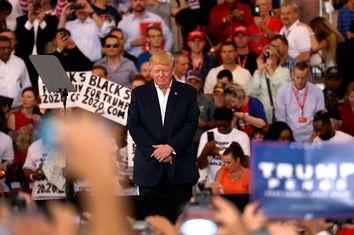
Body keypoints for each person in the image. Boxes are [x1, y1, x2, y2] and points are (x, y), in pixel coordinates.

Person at [127, 51, 200, 197]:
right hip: (149, 169)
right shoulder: (139, 94)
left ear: (172, 70)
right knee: (150, 218)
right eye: (157, 70)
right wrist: (155, 151)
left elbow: (191, 123)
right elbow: (134, 125)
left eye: (165, 70)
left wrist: (171, 147)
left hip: (180, 169)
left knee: (179, 217)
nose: (161, 75)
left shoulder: (188, 92)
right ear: (151, 71)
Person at [197, 107, 250, 187]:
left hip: (235, 186)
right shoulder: (206, 135)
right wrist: (206, 150)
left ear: (231, 121)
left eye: (224, 125)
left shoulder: (242, 136)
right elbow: (201, 166)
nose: (221, 127)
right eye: (218, 125)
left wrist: (220, 152)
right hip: (212, 185)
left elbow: (246, 164)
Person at [275, 62, 325, 142]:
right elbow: (281, 119)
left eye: (303, 78)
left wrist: (316, 134)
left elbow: (320, 117)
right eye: (297, 77)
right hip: (290, 136)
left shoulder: (317, 92)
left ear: (307, 76)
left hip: (312, 136)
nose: (300, 81)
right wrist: (287, 138)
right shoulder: (282, 92)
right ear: (292, 75)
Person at [15, 0, 58, 88]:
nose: (33, 5)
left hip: (45, 60)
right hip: (26, 60)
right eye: (31, 2)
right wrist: (29, 21)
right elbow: (19, 39)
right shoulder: (21, 20)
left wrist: (42, 22)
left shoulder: (52, 20)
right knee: (28, 87)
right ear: (27, 4)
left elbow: (51, 38)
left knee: (46, 88)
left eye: (36, 3)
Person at [250, 44, 291, 122]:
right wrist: (259, 72)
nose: (270, 58)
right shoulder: (258, 72)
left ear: (277, 57)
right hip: (263, 115)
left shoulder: (284, 72)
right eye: (267, 56)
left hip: (280, 114)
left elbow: (284, 93)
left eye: (273, 56)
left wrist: (271, 72)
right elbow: (253, 93)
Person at [0, 35, 32, 109]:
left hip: (18, 107)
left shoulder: (19, 62)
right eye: (3, 48)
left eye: (9, 48)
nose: (7, 51)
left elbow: (27, 85)